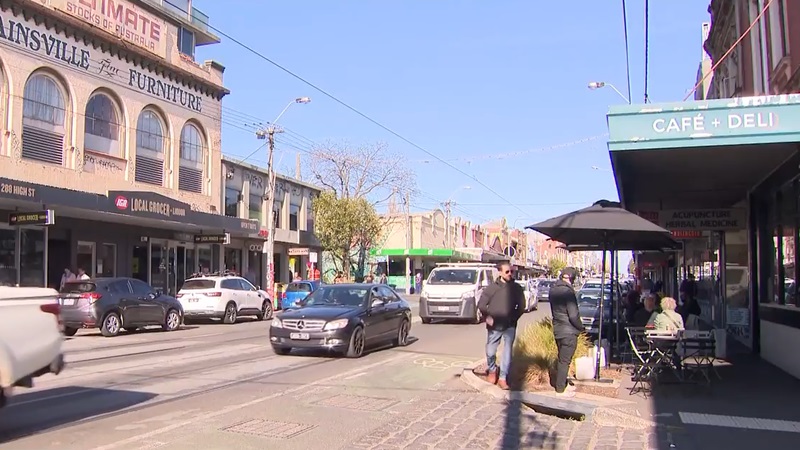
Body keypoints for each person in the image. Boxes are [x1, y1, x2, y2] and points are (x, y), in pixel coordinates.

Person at [477, 262, 525, 390]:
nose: (510, 274)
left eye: (511, 272)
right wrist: (487, 317)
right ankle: (492, 370)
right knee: (490, 351)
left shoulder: (516, 288)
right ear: (500, 272)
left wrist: (513, 318)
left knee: (507, 351)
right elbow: (481, 304)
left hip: (510, 325)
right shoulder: (492, 288)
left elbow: (521, 306)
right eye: (507, 272)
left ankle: (503, 377)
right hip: (494, 326)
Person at [549, 267, 585, 397]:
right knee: (565, 361)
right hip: (569, 331)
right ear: (572, 278)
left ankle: (562, 384)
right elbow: (573, 315)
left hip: (558, 329)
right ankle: (560, 390)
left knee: (561, 359)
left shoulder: (553, 290)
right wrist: (581, 327)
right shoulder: (569, 293)